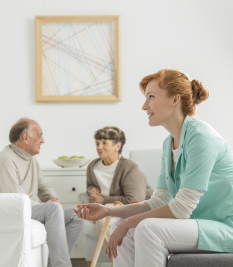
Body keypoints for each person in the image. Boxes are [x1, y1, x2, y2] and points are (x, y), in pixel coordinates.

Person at [74, 69, 233, 267]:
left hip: (224, 228)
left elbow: (182, 208)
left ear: (175, 99)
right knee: (127, 228)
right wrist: (107, 211)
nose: (144, 106)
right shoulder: (169, 143)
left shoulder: (201, 137)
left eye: (151, 97)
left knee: (146, 228)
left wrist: (128, 222)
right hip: (197, 225)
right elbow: (159, 201)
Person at [0, 118, 84, 267]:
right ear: (26, 137)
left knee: (77, 215)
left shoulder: (30, 159)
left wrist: (53, 198)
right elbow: (16, 201)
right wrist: (50, 207)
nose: (43, 140)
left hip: (26, 207)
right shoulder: (5, 160)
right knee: (53, 209)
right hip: (9, 211)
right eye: (40, 135)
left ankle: (55, 263)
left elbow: (43, 185)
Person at [85, 126, 152, 257]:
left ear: (117, 146)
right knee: (100, 219)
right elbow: (90, 185)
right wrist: (91, 190)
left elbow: (134, 200)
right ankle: (123, 259)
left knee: (101, 221)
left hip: (134, 211)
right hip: (108, 210)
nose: (99, 147)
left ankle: (124, 258)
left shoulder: (129, 168)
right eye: (97, 143)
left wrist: (103, 200)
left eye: (104, 143)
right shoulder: (92, 166)